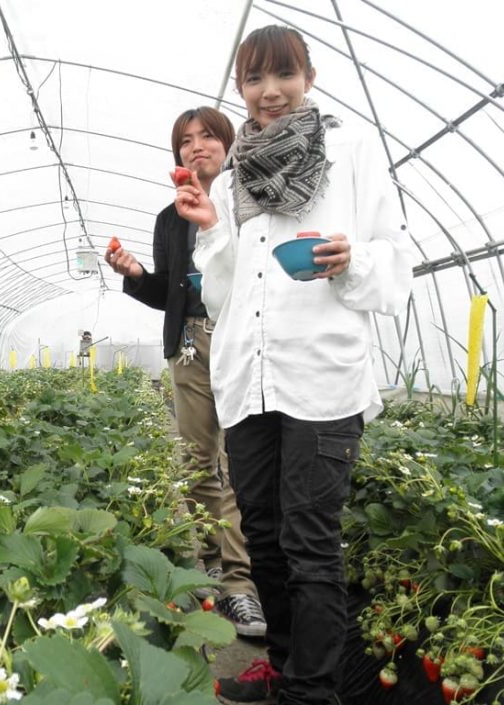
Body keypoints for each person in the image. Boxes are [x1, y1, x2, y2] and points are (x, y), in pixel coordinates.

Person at [176, 26, 414, 705]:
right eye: (254, 79)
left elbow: (395, 264)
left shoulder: (350, 149)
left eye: (283, 73)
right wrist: (211, 230)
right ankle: (281, 671)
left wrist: (353, 258)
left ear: (309, 74)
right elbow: (221, 294)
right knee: (264, 540)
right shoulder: (230, 177)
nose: (269, 90)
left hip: (321, 376)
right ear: (240, 89)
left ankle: (312, 694)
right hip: (248, 378)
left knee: (311, 544)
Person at [105, 106, 266, 638]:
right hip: (192, 344)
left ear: (229, 144)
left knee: (241, 460)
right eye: (185, 142)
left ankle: (243, 586)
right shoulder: (170, 218)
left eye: (208, 138)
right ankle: (213, 562)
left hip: (246, 338)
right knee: (199, 458)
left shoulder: (254, 201)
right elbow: (167, 291)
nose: (196, 148)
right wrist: (134, 275)